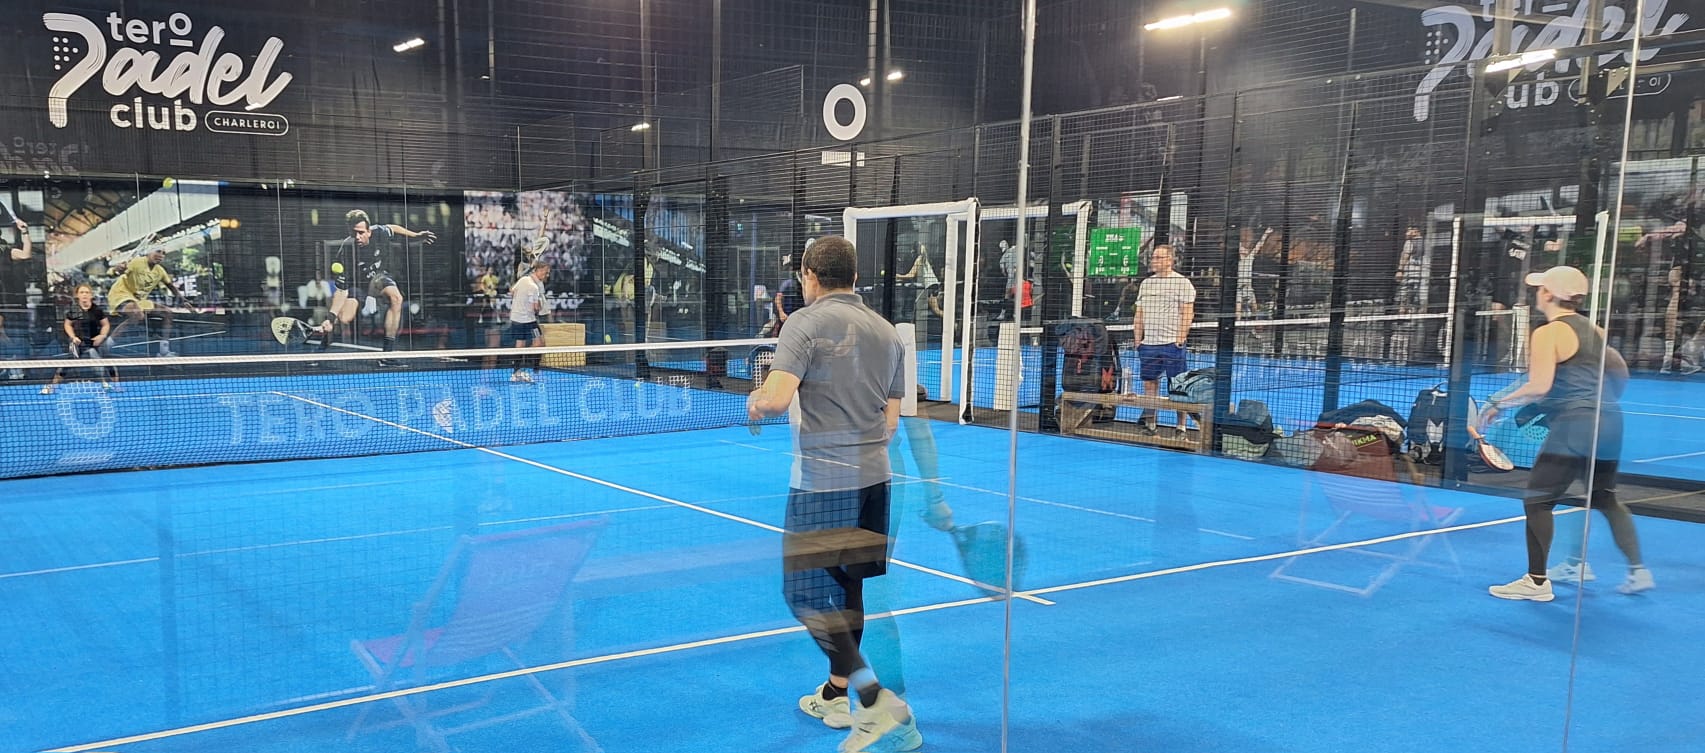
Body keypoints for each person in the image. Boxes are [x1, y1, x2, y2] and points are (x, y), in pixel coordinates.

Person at [746, 235, 918, 753]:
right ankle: (837, 694)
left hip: (823, 484)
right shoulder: (888, 332)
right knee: (848, 587)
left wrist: (755, 400)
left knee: (801, 594)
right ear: (855, 277)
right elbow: (891, 422)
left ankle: (873, 702)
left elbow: (777, 399)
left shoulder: (803, 322)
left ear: (809, 276)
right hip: (874, 482)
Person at [1482, 265, 1654, 602]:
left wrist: (1498, 404)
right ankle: (1636, 571)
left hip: (1577, 424)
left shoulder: (1548, 333)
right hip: (1609, 421)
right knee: (1603, 496)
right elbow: (1620, 374)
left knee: (1538, 500)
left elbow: (1539, 386)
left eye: (1540, 288)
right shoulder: (1596, 331)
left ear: (1548, 294)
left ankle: (1536, 582)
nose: (1537, 293)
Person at [315, 209, 437, 360]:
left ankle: (387, 354)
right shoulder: (346, 251)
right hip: (358, 285)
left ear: (369, 231)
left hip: (378, 278)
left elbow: (393, 228)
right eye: (353, 233)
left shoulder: (379, 232)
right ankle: (321, 348)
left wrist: (416, 235)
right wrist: (330, 318)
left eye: (361, 233)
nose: (357, 237)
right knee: (344, 318)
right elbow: (341, 291)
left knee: (396, 298)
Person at [1131, 244, 1195, 433]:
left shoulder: (1182, 283)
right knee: (1149, 384)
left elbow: (1188, 313)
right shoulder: (1146, 284)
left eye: (1158, 258)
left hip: (1171, 344)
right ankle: (1150, 424)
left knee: (1178, 386)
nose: (1154, 261)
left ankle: (1181, 427)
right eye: (1153, 257)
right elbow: (1139, 314)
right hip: (1148, 345)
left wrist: (1180, 339)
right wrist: (1138, 340)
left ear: (1170, 260)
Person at [106, 247, 185, 356]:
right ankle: (106, 345)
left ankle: (164, 351)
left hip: (138, 300)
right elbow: (112, 273)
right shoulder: (136, 262)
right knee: (137, 315)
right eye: (158, 251)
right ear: (149, 252)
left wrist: (182, 300)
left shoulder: (160, 271)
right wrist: (116, 270)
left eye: (163, 253)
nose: (161, 255)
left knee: (167, 312)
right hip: (120, 295)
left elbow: (170, 286)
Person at [41, 283, 117, 394]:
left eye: (87, 292)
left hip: (96, 342)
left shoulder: (97, 310)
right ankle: (51, 387)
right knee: (66, 365)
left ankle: (116, 386)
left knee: (109, 363)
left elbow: (105, 325)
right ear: (77, 295)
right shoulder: (75, 310)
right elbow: (67, 325)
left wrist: (102, 336)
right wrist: (73, 337)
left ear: (91, 295)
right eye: (82, 292)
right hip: (80, 342)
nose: (84, 295)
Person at [506, 261, 549, 383]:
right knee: (539, 343)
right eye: (546, 272)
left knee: (520, 344)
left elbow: (512, 291)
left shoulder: (523, 280)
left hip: (516, 318)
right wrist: (540, 304)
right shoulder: (534, 287)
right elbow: (534, 308)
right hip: (528, 321)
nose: (547, 275)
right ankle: (535, 371)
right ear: (539, 271)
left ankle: (516, 372)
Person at [1395, 226, 1425, 315]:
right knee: (1417, 292)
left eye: (1408, 231)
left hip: (1409, 270)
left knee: (1405, 290)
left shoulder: (1410, 242)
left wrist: (1400, 270)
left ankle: (1403, 309)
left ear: (1415, 231)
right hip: (1421, 272)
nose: (1406, 233)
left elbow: (1405, 256)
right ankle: (1415, 310)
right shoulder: (1425, 242)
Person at [774, 253, 805, 334]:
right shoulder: (788, 283)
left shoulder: (806, 282)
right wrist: (781, 313)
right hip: (788, 318)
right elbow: (778, 297)